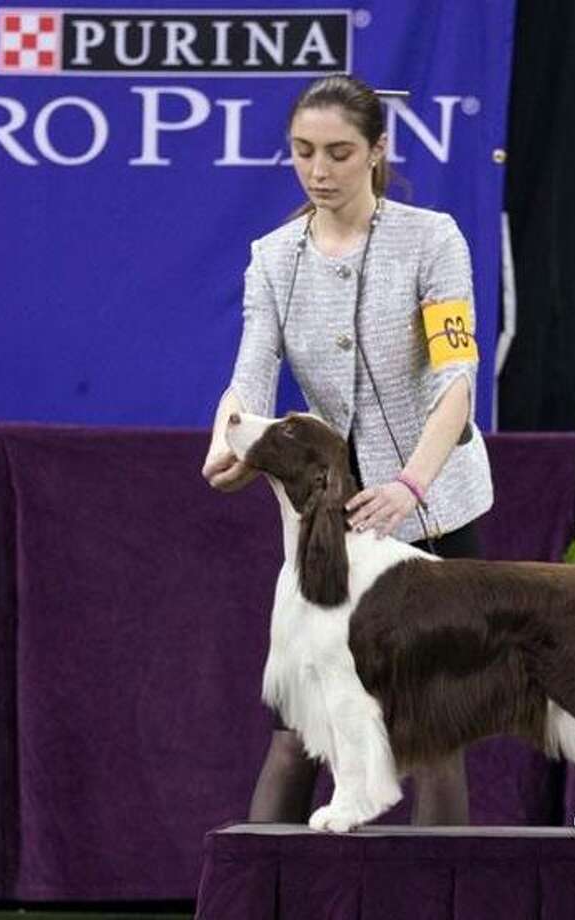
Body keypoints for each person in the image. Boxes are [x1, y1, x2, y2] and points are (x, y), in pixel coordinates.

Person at [201, 74, 493, 825]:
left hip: (436, 511)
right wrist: (225, 440)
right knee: (300, 732)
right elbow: (249, 376)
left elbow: (457, 380)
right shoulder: (271, 257)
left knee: (429, 733)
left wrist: (410, 486)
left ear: (377, 152)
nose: (318, 171)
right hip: (330, 526)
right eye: (303, 153)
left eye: (338, 152)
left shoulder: (434, 239)